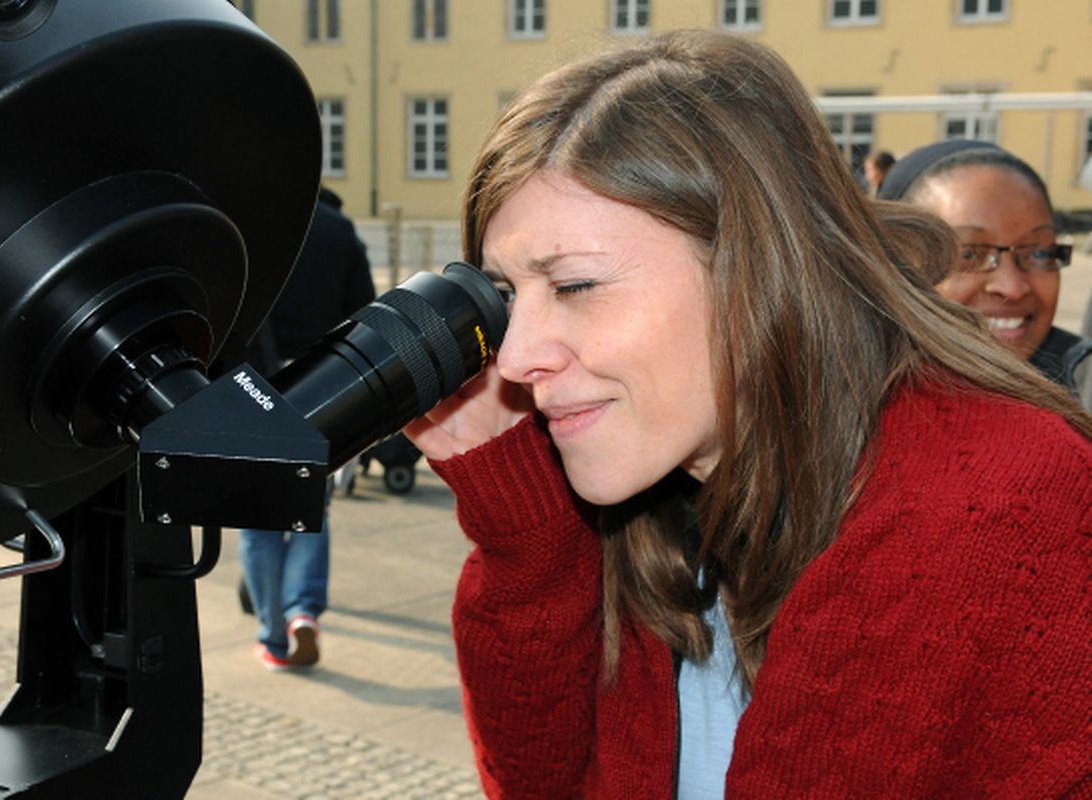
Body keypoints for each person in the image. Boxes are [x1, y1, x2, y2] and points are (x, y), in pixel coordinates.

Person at [404, 30, 1092, 798]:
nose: (517, 355)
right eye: (504, 296)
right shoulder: (651, 498)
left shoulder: (995, 505)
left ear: (753, 269)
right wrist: (523, 532)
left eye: (574, 286)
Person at [240, 187, 376, 670]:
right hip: (323, 387)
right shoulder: (339, 231)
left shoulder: (254, 229)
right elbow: (366, 313)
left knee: (258, 524)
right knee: (310, 511)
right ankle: (303, 612)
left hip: (256, 387)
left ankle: (273, 637)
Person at [879, 139, 1092, 410]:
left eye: (1038, 253)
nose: (1012, 287)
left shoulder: (1084, 391)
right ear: (895, 266)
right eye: (969, 255)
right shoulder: (836, 412)